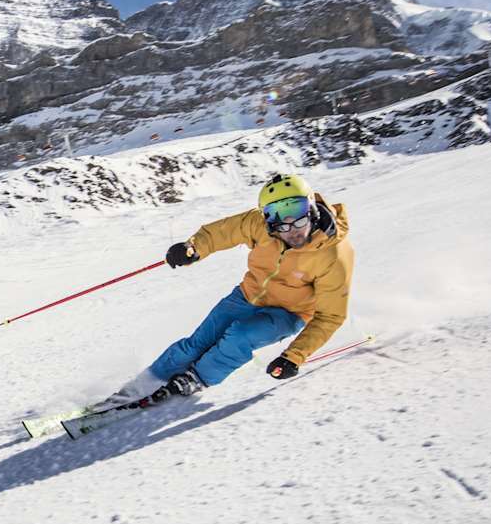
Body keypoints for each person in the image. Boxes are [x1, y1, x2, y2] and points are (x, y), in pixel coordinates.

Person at [125, 173, 354, 407]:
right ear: (266, 218)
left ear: (312, 208)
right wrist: (192, 248)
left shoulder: (333, 255)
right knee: (198, 342)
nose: (291, 226)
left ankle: (197, 378)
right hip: (247, 295)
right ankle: (148, 381)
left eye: (297, 212)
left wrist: (293, 356)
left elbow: (330, 316)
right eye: (277, 216)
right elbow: (221, 233)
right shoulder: (259, 225)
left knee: (239, 337)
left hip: (289, 313)